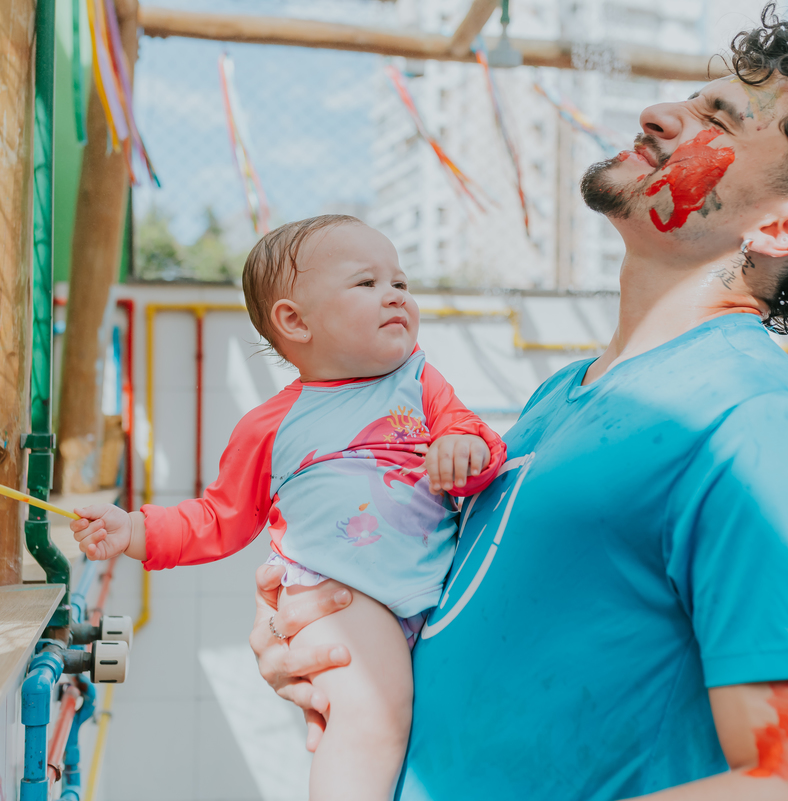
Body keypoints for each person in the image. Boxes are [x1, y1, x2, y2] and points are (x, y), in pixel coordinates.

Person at [249, 7, 788, 800]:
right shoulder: (562, 397)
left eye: (718, 119)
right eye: (692, 100)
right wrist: (329, 639)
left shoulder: (755, 430)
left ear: (782, 226)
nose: (658, 114)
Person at [70, 215, 506, 801]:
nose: (396, 295)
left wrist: (464, 448)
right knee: (372, 719)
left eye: (400, 282)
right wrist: (133, 529)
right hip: (342, 594)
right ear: (294, 320)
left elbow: (474, 439)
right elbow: (217, 518)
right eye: (367, 284)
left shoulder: (420, 381)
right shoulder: (270, 426)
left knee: (416, 727)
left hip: (429, 591)